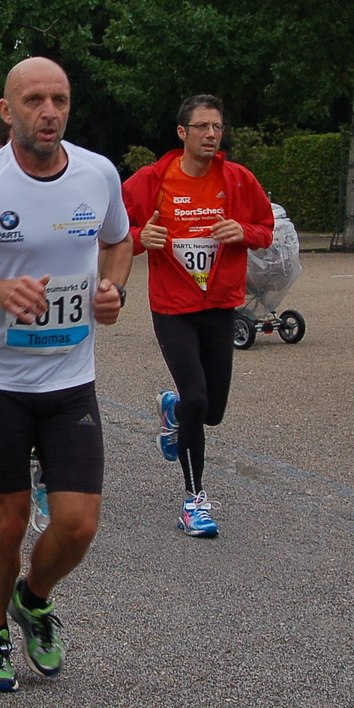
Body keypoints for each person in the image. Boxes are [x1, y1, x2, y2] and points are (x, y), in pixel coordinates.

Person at [0, 57, 131, 692]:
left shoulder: (98, 173)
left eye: (59, 99)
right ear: (7, 110)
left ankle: (32, 598)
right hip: (0, 380)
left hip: (71, 378)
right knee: (7, 521)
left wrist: (114, 287)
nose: (49, 112)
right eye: (34, 100)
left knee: (78, 524)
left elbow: (119, 240)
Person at [124, 93, 273, 538]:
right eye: (202, 127)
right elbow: (110, 231)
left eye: (217, 127)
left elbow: (267, 230)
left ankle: (172, 411)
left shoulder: (239, 180)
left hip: (220, 305)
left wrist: (242, 231)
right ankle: (194, 501)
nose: (211, 135)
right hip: (173, 307)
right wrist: (140, 237)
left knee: (212, 411)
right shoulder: (152, 180)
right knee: (196, 396)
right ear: (182, 132)